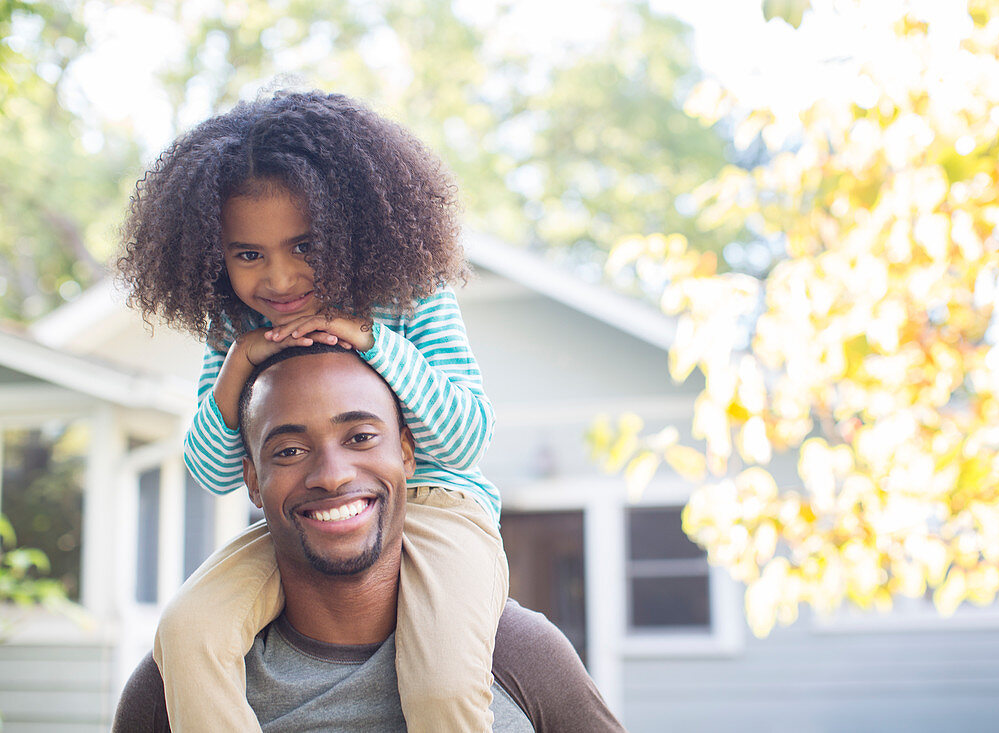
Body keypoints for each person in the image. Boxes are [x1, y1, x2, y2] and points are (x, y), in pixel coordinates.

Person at [116, 90, 506, 732]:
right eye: (248, 255)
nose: (279, 279)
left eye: (304, 247)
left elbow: (465, 439)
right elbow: (215, 473)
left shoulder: (407, 294)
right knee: (188, 632)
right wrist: (239, 366)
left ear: (352, 229)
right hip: (301, 523)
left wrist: (372, 340)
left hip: (438, 506)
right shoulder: (239, 327)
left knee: (442, 687)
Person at [111, 344, 626, 732]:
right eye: (289, 451)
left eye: (360, 437)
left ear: (407, 452)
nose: (331, 475)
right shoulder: (176, 682)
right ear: (251, 480)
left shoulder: (517, 655)